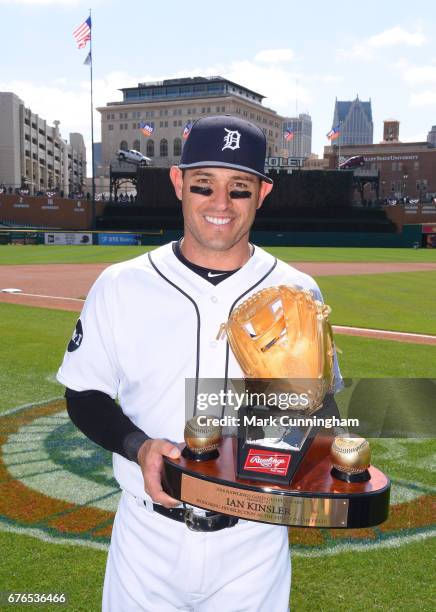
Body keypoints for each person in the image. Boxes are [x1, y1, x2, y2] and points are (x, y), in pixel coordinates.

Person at [57, 115, 342, 611]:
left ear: (263, 193)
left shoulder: (298, 292)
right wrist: (139, 447)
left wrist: (315, 426)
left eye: (239, 189)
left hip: (254, 544)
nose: (220, 205)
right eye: (204, 186)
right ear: (178, 183)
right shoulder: (121, 284)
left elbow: (324, 411)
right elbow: (84, 393)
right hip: (147, 541)